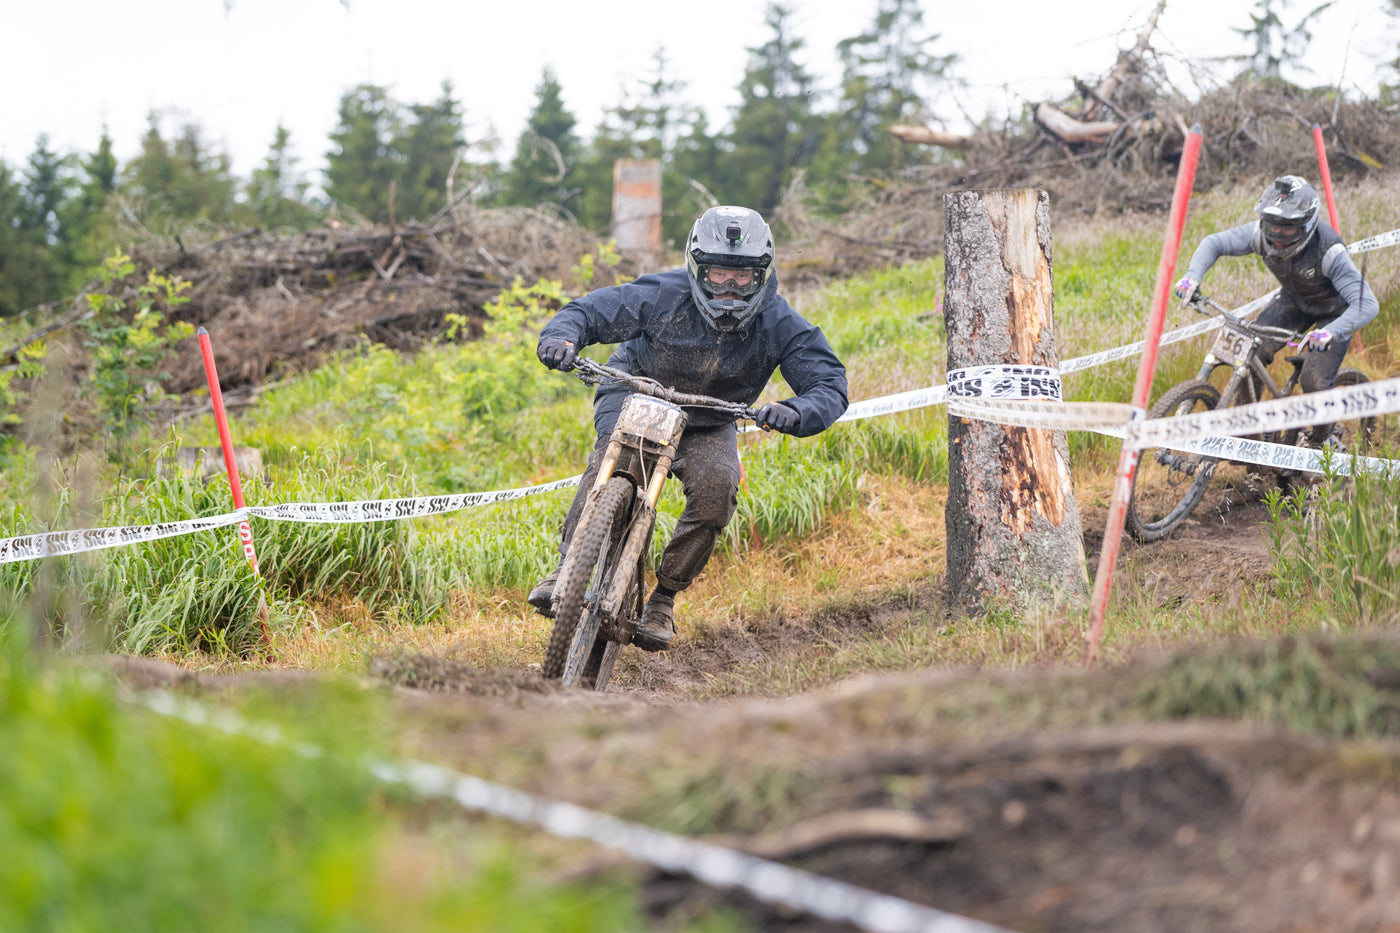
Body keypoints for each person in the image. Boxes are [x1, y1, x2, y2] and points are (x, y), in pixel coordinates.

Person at [528, 205, 849, 651]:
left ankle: (664, 597)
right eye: (719, 274)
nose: (730, 287)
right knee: (612, 457)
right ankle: (569, 567)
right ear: (698, 268)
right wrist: (561, 338)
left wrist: (795, 411)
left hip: (711, 418)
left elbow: (829, 385)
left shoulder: (779, 322)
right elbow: (591, 311)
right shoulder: (662, 293)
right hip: (635, 390)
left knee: (718, 490)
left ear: (761, 275)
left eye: (742, 277)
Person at [1173, 174, 1378, 445]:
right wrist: (1192, 277)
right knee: (1253, 351)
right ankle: (1251, 434)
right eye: (1273, 226)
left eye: (1289, 229)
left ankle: (1320, 440)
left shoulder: (1329, 252)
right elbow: (1215, 243)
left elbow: (1367, 304)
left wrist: (1330, 333)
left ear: (1307, 225)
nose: (1278, 237)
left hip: (1334, 314)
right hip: (1295, 301)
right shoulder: (1259, 236)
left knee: (1314, 382)